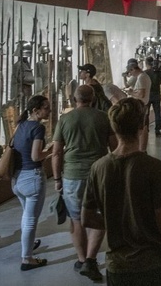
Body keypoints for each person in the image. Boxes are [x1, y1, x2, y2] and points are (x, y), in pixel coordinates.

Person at [82, 98, 161, 286]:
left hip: (118, 265)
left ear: (114, 127)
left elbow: (87, 218)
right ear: (142, 125)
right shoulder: (153, 167)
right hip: (154, 263)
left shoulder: (98, 168)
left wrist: (118, 222)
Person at [51, 84, 116, 281]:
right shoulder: (103, 117)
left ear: (74, 99)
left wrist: (56, 179)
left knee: (76, 219)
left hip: (72, 175)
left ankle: (81, 259)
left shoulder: (65, 119)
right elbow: (114, 148)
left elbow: (56, 152)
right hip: (99, 173)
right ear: (93, 98)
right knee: (99, 215)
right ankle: (90, 259)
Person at [12, 95, 52, 271]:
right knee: (30, 220)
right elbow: (36, 156)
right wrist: (50, 152)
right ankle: (27, 258)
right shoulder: (38, 128)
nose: (49, 110)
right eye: (46, 107)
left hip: (17, 178)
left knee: (26, 217)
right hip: (32, 176)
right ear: (36, 111)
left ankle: (28, 245)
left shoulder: (20, 126)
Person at [124, 59, 151, 151]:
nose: (131, 75)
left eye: (130, 72)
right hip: (142, 104)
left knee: (142, 127)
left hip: (140, 104)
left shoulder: (141, 77)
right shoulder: (143, 76)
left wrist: (131, 92)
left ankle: (141, 149)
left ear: (133, 69)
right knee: (142, 126)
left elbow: (141, 94)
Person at [144, 57, 161, 137]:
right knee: (157, 113)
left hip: (148, 95)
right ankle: (157, 130)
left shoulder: (145, 73)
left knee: (146, 113)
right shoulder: (158, 72)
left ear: (146, 63)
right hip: (156, 94)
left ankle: (146, 129)